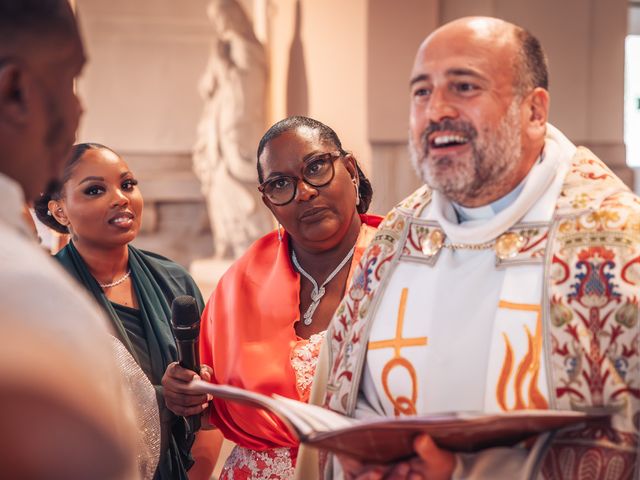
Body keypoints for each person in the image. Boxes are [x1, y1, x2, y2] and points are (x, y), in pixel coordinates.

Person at [308, 17, 640, 480]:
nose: (436, 109)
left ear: (534, 111)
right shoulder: (394, 239)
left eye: (464, 86)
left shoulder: (618, 243)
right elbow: (347, 390)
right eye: (421, 91)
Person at [162, 116, 382, 479]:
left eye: (316, 168)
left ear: (350, 169)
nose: (306, 192)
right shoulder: (241, 284)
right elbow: (211, 413)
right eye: (281, 184)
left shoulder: (396, 265)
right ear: (268, 201)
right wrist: (186, 392)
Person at [0, 1, 139, 478]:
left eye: (128, 183)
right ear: (15, 91)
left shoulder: (166, 277)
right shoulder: (26, 291)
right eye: (67, 80)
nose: (78, 107)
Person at [34, 142, 221, 480]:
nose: (121, 197)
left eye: (128, 184)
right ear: (60, 211)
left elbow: (210, 410)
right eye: (94, 190)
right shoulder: (46, 293)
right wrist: (164, 400)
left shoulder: (175, 282)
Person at [193, 0, 273, 259]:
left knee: (238, 187)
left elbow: (247, 86)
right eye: (216, 18)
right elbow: (208, 87)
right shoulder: (223, 47)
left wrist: (224, 67)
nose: (220, 23)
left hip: (234, 132)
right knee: (219, 188)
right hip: (219, 132)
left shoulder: (245, 46)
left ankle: (249, 245)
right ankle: (227, 242)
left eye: (222, 16)